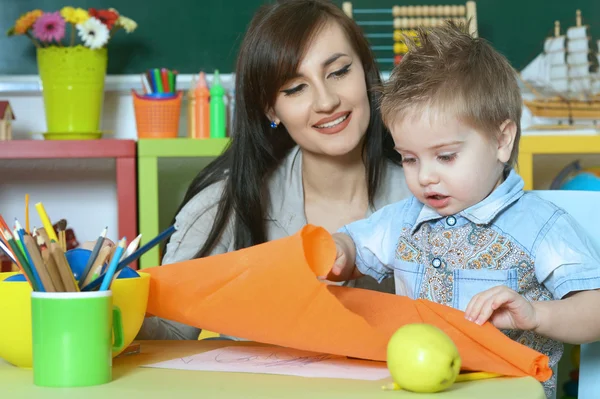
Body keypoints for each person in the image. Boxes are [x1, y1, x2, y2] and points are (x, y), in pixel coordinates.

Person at [328, 22, 600, 399]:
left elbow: (596, 308)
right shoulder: (404, 220)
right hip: (414, 387)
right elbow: (353, 247)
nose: (425, 177)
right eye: (408, 159)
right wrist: (339, 250)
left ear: (502, 140)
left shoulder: (540, 227)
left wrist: (538, 314)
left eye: (445, 156)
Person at [134, 0, 411, 341]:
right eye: (295, 88)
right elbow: (166, 334)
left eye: (339, 72)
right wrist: (107, 308)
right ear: (271, 109)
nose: (326, 101)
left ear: (366, 73)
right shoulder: (224, 206)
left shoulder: (432, 198)